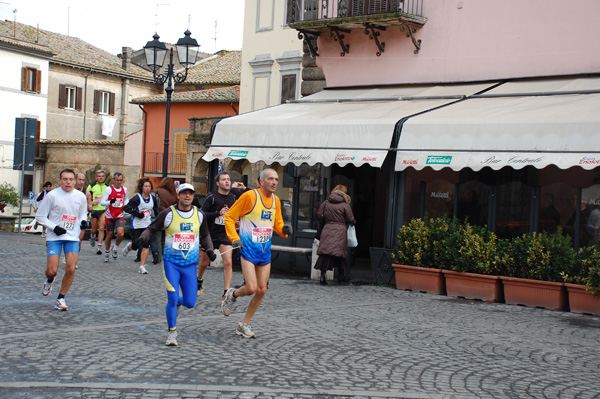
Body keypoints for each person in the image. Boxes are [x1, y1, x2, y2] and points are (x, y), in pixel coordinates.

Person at [134, 183, 216, 346]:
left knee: (190, 302)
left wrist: (210, 250)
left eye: (190, 194)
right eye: (184, 193)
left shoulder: (199, 215)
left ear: (193, 196)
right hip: (172, 263)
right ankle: (172, 332)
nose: (187, 196)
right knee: (171, 297)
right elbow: (151, 229)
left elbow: (205, 235)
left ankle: (179, 301)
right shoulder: (168, 214)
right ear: (178, 195)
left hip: (190, 265)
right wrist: (143, 239)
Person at [221, 168, 292, 338]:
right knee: (251, 288)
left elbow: (277, 224)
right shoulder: (250, 196)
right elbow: (230, 217)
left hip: (264, 251)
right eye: (270, 179)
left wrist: (284, 230)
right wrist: (234, 238)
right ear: (261, 182)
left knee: (261, 290)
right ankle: (232, 294)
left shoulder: (276, 201)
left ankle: (243, 325)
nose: (274, 182)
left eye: (276, 179)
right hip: (248, 249)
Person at [36, 168, 88, 311]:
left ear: (75, 181)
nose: (68, 182)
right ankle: (49, 280)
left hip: (72, 237)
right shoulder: (52, 196)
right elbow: (40, 216)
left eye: (71, 179)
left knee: (71, 268)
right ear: (60, 181)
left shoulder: (80, 196)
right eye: (65, 179)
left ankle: (61, 298)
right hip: (55, 236)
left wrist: (83, 221)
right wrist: (54, 227)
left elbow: (83, 213)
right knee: (52, 270)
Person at [197, 172, 247, 297]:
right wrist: (217, 213)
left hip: (225, 234)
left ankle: (226, 292)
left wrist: (237, 222)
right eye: (224, 179)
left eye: (228, 179)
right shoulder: (212, 197)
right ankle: (199, 280)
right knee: (204, 262)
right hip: (210, 234)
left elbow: (237, 213)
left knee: (228, 262)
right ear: (218, 183)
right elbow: (201, 215)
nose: (227, 182)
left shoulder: (233, 198)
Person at [314, 184, 356, 285]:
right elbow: (350, 219)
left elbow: (319, 215)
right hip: (340, 231)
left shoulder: (325, 203)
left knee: (325, 254)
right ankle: (341, 277)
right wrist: (354, 222)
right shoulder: (345, 205)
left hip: (327, 229)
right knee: (340, 254)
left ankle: (323, 277)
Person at [122, 177, 160, 274]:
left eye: (149, 186)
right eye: (145, 186)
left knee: (146, 245)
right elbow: (126, 208)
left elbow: (156, 210)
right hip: (136, 225)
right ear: (142, 187)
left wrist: (159, 220)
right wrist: (137, 214)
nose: (147, 188)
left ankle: (142, 266)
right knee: (136, 244)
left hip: (147, 225)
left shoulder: (153, 199)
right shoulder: (137, 198)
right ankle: (129, 247)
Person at [100, 172, 129, 262]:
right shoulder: (109, 189)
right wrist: (110, 202)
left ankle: (115, 248)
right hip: (109, 215)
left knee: (121, 234)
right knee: (109, 234)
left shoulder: (124, 189)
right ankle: (107, 252)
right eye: (117, 180)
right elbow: (102, 202)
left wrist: (126, 205)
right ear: (114, 180)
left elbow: (126, 199)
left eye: (120, 180)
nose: (119, 182)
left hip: (119, 215)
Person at [154, 177, 178, 262]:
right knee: (166, 237)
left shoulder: (158, 191)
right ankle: (166, 254)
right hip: (170, 217)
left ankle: (158, 255)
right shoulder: (173, 195)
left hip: (160, 215)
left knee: (158, 236)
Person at [86, 170, 108, 255]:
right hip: (94, 210)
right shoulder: (91, 186)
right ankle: (92, 236)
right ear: (96, 177)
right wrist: (91, 203)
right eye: (99, 176)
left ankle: (99, 246)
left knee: (101, 228)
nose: (101, 177)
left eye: (102, 176)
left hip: (103, 209)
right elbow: (86, 197)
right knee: (94, 229)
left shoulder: (107, 186)